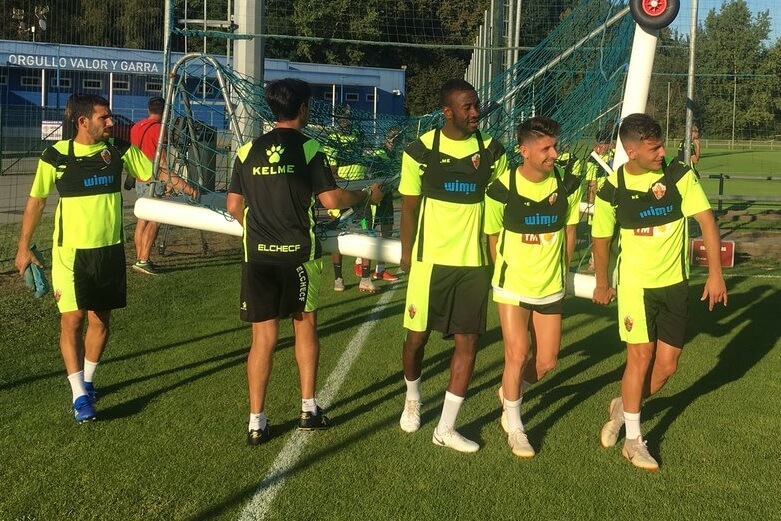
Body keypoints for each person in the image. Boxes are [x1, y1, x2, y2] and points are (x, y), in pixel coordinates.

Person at [225, 78, 384, 446]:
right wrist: (365, 196)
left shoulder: (248, 150)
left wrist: (261, 227)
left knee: (262, 338)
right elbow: (330, 200)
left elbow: (234, 206)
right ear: (302, 110)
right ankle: (308, 409)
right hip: (299, 254)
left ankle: (256, 422)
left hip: (258, 257)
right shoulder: (310, 147)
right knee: (305, 324)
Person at [591, 113, 727, 470]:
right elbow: (601, 239)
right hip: (635, 287)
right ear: (631, 152)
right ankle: (634, 441)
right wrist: (604, 282)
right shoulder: (612, 189)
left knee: (666, 367)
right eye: (653, 148)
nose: (662, 152)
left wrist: (715, 275)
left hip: (675, 286)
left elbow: (707, 222)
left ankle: (623, 407)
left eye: (662, 144)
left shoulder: (679, 174)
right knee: (640, 356)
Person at [14, 93, 153, 423]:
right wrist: (23, 248)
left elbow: (151, 174)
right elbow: (36, 201)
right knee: (73, 320)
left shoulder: (118, 150)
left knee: (100, 320)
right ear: (82, 122)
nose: (110, 122)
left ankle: (88, 382)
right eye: (103, 117)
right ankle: (79, 395)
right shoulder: (56, 155)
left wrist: (184, 186)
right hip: (70, 254)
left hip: (109, 250)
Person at [398, 79, 508, 452]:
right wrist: (406, 252)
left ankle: (446, 427)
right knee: (416, 341)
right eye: (467, 107)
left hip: (473, 265)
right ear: (447, 112)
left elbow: (500, 205)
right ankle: (413, 397)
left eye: (476, 105)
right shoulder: (419, 151)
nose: (475, 113)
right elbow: (410, 206)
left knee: (468, 342)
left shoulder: (493, 151)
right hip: (429, 264)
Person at [485, 117, 582, 458]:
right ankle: (515, 427)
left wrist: (561, 271)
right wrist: (506, 270)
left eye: (555, 145)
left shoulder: (569, 184)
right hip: (512, 285)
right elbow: (493, 237)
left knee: (547, 362)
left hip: (550, 285)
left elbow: (570, 233)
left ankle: (510, 393)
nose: (554, 153)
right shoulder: (501, 187)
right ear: (523, 151)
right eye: (546, 148)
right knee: (517, 354)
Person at [129, 96, 198, 275]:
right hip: (154, 178)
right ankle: (144, 259)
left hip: (139, 178)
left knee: (142, 219)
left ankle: (140, 257)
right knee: (156, 219)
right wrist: (178, 184)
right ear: (165, 111)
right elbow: (162, 160)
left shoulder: (136, 127)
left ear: (148, 109)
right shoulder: (160, 129)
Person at [323, 107, 381, 293]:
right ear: (337, 120)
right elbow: (332, 173)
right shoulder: (333, 141)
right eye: (342, 119)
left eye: (348, 118)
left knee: (368, 233)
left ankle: (365, 278)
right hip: (344, 197)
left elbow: (364, 162)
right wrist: (348, 187)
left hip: (362, 195)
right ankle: (338, 278)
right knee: (337, 236)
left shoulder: (359, 136)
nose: (346, 122)